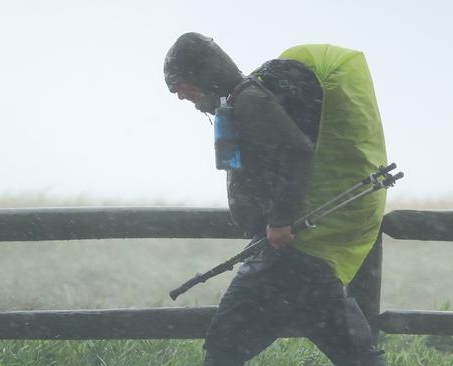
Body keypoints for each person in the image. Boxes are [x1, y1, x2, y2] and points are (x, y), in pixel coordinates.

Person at [164, 32, 388, 366]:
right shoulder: (242, 98)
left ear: (202, 73)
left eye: (181, 84)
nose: (181, 95)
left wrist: (280, 220)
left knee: (224, 346)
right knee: (350, 347)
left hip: (284, 254)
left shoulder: (250, 100)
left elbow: (297, 152)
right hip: (295, 259)